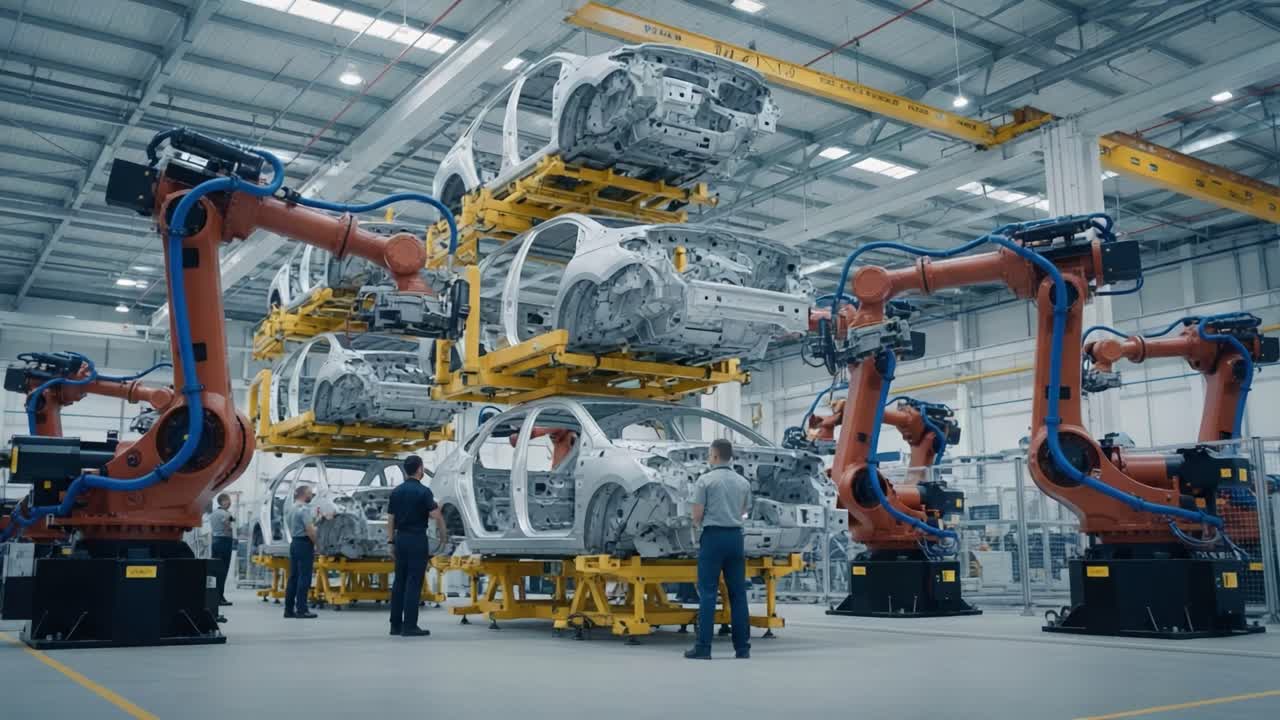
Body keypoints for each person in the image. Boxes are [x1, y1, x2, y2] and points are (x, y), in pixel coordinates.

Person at [685, 438, 753, 660]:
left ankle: (703, 648)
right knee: (738, 594)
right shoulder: (743, 482)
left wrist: (698, 525)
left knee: (707, 593)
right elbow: (744, 511)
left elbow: (696, 515)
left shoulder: (705, 481)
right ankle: (742, 648)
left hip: (713, 537)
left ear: (714, 456)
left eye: (709, 455)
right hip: (735, 538)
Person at [386, 454, 447, 637]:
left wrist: (390, 542)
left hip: (400, 539)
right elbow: (436, 516)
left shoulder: (396, 492)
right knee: (414, 582)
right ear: (420, 469)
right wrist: (443, 538)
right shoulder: (424, 492)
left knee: (399, 582)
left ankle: (395, 625)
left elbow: (390, 519)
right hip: (416, 540)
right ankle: (410, 626)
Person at [284, 484, 318, 619]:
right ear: (303, 494)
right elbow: (309, 530)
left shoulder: (291, 509)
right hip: (304, 544)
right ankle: (302, 610)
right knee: (304, 577)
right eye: (310, 493)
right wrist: (317, 544)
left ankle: (288, 610)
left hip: (294, 543)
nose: (311, 495)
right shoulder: (304, 509)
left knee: (293, 577)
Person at [209, 493, 235, 607]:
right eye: (228, 500)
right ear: (222, 502)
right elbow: (229, 525)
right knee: (223, 571)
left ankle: (214, 597)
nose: (229, 502)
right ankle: (220, 597)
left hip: (215, 541)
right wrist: (230, 529)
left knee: (216, 570)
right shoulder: (225, 513)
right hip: (224, 542)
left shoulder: (214, 513)